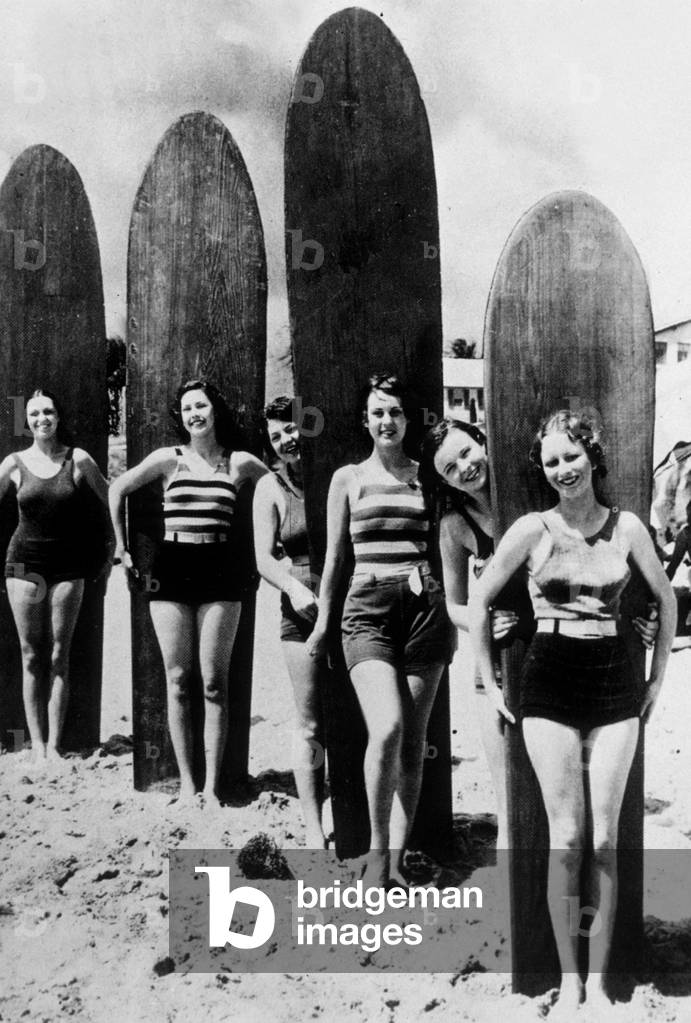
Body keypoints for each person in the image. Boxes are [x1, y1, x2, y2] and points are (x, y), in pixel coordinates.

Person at [469, 409, 675, 1017]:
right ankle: (572, 981)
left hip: (614, 682)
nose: (563, 470)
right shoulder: (532, 530)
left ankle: (606, 982)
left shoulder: (628, 527)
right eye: (552, 461)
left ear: (593, 455)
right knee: (567, 839)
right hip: (549, 682)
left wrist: (657, 676)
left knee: (606, 839)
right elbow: (479, 602)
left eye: (572, 456)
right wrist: (488, 678)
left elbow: (665, 600)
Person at [419, 417, 659, 851]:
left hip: (564, 654)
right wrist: (482, 624)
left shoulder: (537, 499)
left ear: (483, 441)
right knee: (511, 796)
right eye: (449, 469)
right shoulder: (456, 525)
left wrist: (648, 618)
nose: (465, 468)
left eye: (467, 452)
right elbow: (454, 602)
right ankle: (514, 910)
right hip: (500, 660)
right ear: (444, 482)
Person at [306, 372, 454, 886]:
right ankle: (374, 853)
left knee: (413, 743)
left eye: (395, 411)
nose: (387, 421)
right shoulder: (347, 478)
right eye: (377, 412)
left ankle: (396, 858)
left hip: (423, 609)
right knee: (386, 727)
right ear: (365, 420)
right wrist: (324, 622)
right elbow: (334, 559)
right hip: (366, 610)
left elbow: (451, 542)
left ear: (408, 419)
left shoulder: (426, 476)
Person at [109, 379, 266, 808]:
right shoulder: (167, 460)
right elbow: (116, 489)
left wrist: (272, 546)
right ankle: (186, 784)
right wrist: (121, 549)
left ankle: (213, 787)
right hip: (171, 571)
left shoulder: (239, 463)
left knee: (215, 683)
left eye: (202, 405)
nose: (196, 413)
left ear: (215, 410)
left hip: (222, 571)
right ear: (181, 417)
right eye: (188, 408)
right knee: (177, 680)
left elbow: (277, 492)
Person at [0, 389, 113, 765]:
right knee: (31, 655)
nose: (41, 419)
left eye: (48, 412)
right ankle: (36, 747)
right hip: (23, 566)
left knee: (60, 655)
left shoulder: (78, 459)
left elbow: (111, 500)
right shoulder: (14, 464)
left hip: (69, 567)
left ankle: (55, 746)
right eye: (34, 414)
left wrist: (114, 545)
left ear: (58, 417)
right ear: (26, 420)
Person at [253, 396, 327, 848]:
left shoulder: (334, 474)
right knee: (310, 723)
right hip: (298, 610)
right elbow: (262, 558)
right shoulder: (270, 487)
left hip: (350, 604)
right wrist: (294, 589)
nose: (287, 439)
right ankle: (314, 827)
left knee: (354, 721)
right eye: (277, 434)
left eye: (293, 428)